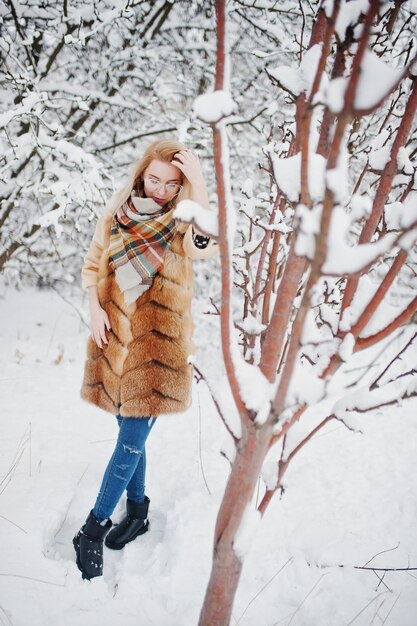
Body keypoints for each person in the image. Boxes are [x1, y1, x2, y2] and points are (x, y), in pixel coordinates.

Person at [73, 139, 219, 580]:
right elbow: (93, 266)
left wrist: (200, 185)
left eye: (172, 184)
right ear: (141, 175)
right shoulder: (116, 218)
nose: (160, 189)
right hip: (115, 337)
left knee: (132, 438)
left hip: (158, 349)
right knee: (129, 433)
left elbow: (204, 244)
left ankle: (92, 529)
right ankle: (137, 511)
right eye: (154, 179)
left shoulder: (182, 223)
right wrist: (95, 309)